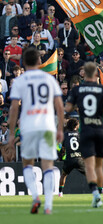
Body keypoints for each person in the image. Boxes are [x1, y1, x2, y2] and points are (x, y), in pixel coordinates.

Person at [8, 48, 64, 214]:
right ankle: (48, 206)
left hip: (28, 126)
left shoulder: (19, 80)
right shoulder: (49, 79)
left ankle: (35, 196)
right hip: (47, 126)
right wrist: (60, 128)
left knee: (27, 163)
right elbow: (59, 106)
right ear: (39, 61)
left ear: (23, 62)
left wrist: (12, 133)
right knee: (48, 166)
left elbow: (13, 109)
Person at [65, 62, 103, 208]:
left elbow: (68, 108)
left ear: (84, 74)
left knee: (89, 166)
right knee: (99, 165)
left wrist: (76, 106)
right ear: (97, 74)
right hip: (100, 129)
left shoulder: (77, 89)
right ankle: (99, 191)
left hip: (86, 130)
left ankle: (95, 194)